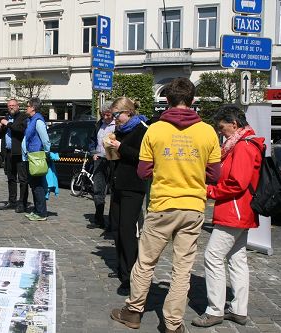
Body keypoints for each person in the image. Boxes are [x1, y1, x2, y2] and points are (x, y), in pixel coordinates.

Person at [110, 77, 221, 333]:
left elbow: (143, 170)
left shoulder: (156, 130)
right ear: (192, 101)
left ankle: (134, 311)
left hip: (162, 204)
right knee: (182, 268)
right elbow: (214, 174)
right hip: (193, 206)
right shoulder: (206, 131)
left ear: (167, 101)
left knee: (146, 262)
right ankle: (172, 324)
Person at [192, 105, 264, 328]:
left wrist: (209, 191)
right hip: (242, 210)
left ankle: (214, 310)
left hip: (234, 210)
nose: (220, 132)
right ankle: (238, 309)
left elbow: (237, 183)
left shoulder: (242, 146)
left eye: (222, 128)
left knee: (213, 257)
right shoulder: (246, 143)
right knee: (237, 259)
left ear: (234, 124)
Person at [106, 97, 148, 295]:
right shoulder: (120, 131)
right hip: (118, 184)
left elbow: (142, 157)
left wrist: (120, 147)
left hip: (133, 186)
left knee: (127, 230)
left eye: (117, 115)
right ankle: (122, 268)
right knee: (116, 228)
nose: (115, 119)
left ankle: (131, 275)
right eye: (113, 115)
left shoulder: (141, 129)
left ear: (128, 113)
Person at [0, 98, 29, 213]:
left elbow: (19, 130)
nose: (11, 107)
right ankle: (12, 201)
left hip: (19, 153)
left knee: (22, 179)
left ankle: (22, 203)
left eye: (13, 105)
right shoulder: (6, 118)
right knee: (11, 178)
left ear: (18, 106)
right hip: (8, 153)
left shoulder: (23, 117)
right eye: (9, 106)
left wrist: (7, 124)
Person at [87, 101, 115, 229]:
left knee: (114, 190)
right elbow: (92, 141)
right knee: (98, 189)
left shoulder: (118, 125)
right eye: (103, 115)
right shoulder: (99, 125)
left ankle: (113, 221)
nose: (105, 117)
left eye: (108, 115)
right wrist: (93, 152)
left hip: (113, 161)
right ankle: (99, 218)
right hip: (99, 160)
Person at [22, 97, 51, 221]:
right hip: (31, 156)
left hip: (36, 157)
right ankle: (37, 210)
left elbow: (45, 139)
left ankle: (41, 213)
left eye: (27, 106)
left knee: (38, 185)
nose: (26, 108)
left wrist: (46, 152)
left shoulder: (38, 120)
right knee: (34, 185)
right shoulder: (31, 120)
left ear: (33, 108)